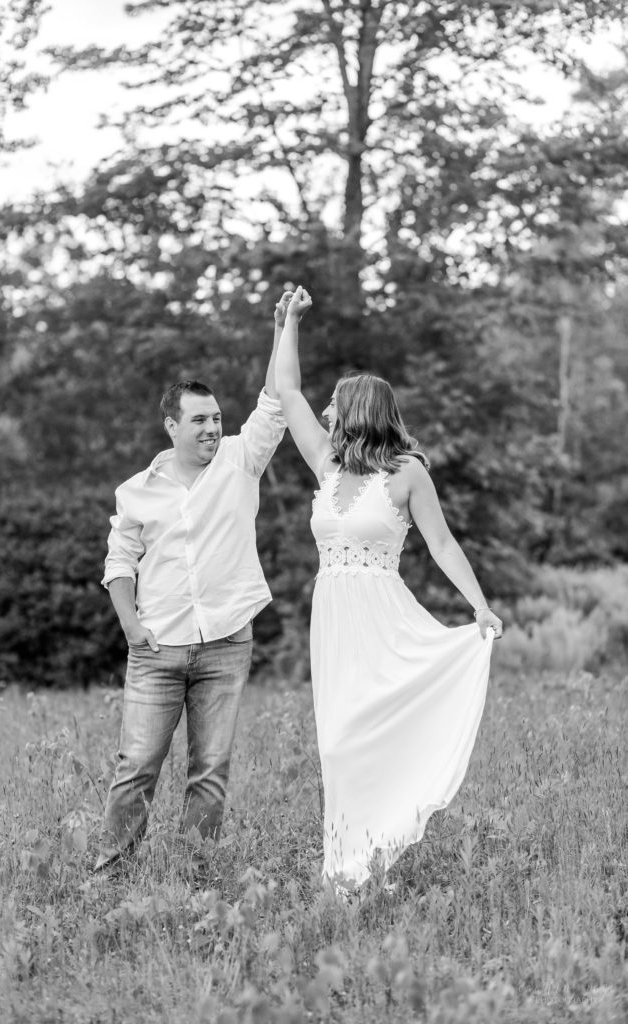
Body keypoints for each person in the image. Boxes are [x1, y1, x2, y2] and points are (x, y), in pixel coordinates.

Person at [274, 286, 504, 893]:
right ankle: (347, 870)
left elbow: (443, 544)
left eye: (334, 405)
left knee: (369, 736)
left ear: (359, 411)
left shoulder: (408, 473)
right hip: (335, 618)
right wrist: (287, 324)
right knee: (337, 741)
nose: (323, 412)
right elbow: (285, 391)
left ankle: (366, 865)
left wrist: (478, 607)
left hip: (383, 616)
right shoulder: (325, 464)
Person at [94, 293, 293, 875]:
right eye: (199, 420)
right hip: (159, 647)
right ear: (171, 425)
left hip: (227, 641)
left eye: (216, 419)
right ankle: (110, 875)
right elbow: (119, 560)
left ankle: (194, 878)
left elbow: (274, 403)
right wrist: (132, 626)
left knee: (210, 770)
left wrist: (282, 330)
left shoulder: (239, 463)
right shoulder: (138, 490)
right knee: (136, 767)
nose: (212, 428)